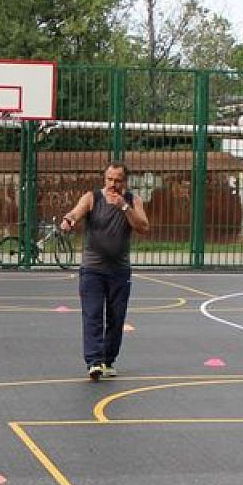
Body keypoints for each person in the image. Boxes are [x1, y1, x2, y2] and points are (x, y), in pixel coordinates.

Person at [60, 161, 150, 381]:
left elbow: (143, 227)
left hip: (119, 271)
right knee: (92, 315)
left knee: (116, 319)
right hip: (93, 270)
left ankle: (108, 361)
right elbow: (76, 212)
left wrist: (124, 207)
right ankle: (94, 362)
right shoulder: (92, 198)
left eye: (118, 180)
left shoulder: (133, 201)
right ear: (104, 178)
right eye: (109, 179)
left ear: (125, 182)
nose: (113, 184)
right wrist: (69, 220)